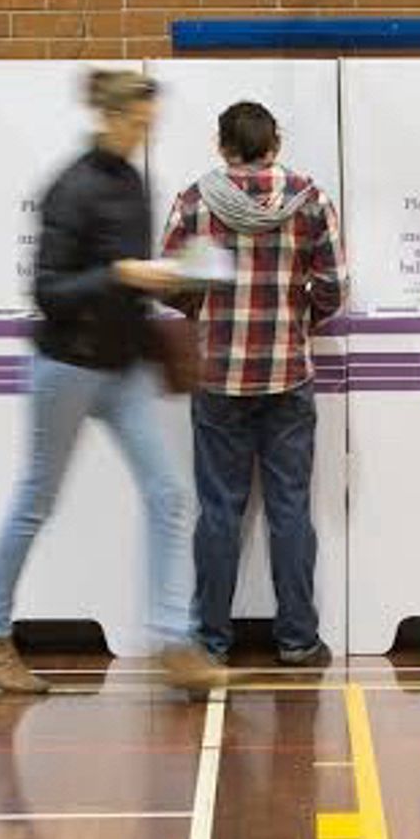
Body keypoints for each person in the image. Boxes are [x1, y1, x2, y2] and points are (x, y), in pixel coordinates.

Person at [0, 70, 228, 696]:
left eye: (151, 126)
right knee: (36, 501)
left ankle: (173, 641)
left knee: (168, 496)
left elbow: (131, 280)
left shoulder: (135, 183)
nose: (146, 135)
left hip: (121, 367)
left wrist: (169, 281)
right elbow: (48, 291)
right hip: (65, 364)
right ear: (110, 119)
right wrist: (121, 274)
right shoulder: (70, 188)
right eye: (139, 124)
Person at [162, 101, 344, 667]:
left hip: (219, 375)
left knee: (219, 510)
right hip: (288, 374)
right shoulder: (311, 200)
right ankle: (297, 639)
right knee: (290, 508)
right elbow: (333, 286)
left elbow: (172, 283)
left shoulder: (197, 202)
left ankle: (210, 642)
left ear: (222, 145)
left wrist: (205, 312)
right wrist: (298, 321)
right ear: (276, 142)